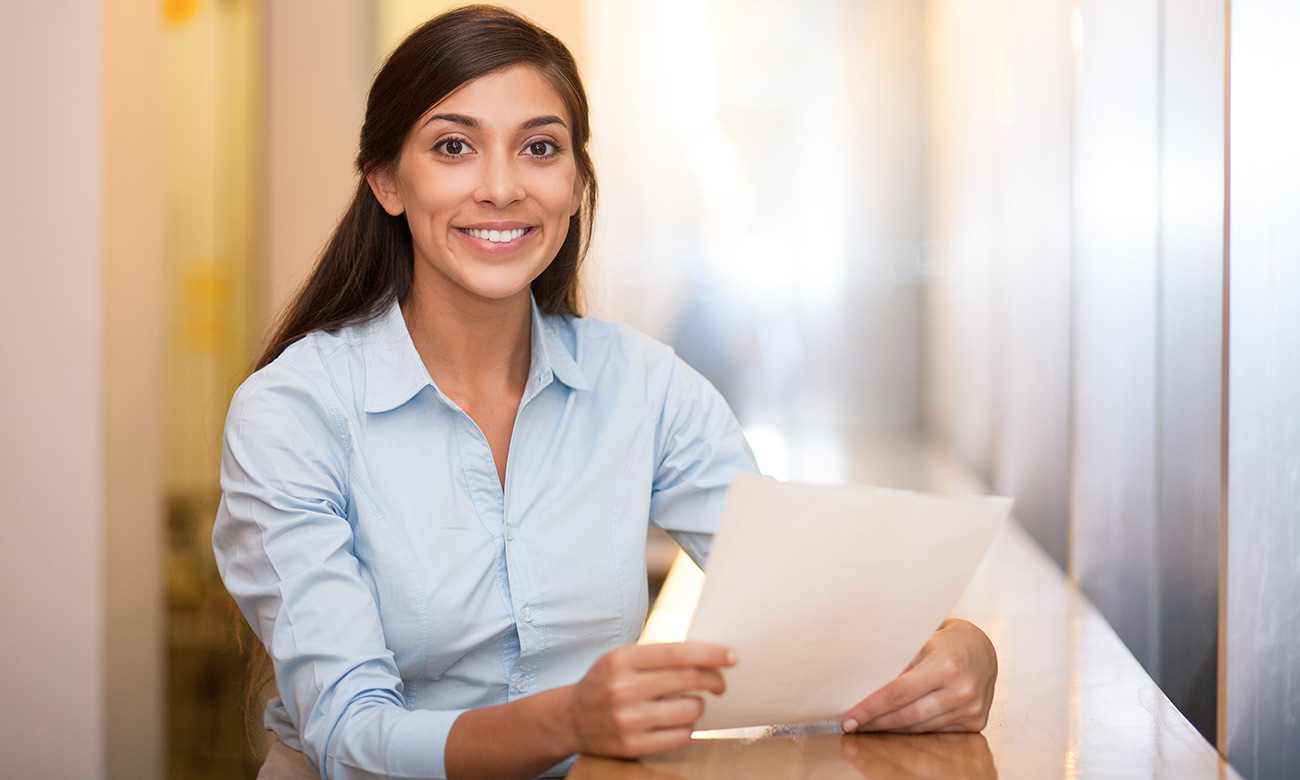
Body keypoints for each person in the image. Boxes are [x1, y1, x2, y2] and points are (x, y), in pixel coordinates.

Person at [212, 6, 998, 780]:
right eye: (453, 146)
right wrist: (569, 720)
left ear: (577, 180)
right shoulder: (292, 414)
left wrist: (956, 647)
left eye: (539, 148)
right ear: (386, 181)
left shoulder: (645, 388)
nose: (500, 187)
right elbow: (352, 735)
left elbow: (806, 607)